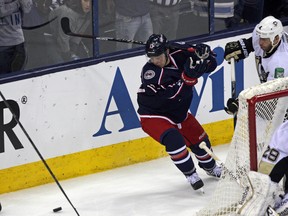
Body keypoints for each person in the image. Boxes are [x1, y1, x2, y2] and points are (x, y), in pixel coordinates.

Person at [137, 34, 222, 190]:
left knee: (202, 143)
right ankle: (190, 174)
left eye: (158, 56)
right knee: (174, 139)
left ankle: (210, 167)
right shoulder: (150, 72)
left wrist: (204, 54)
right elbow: (171, 95)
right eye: (152, 58)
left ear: (167, 51)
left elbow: (210, 64)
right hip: (154, 114)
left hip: (179, 112)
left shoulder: (180, 54)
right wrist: (188, 77)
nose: (155, 61)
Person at [223, 15, 288, 115]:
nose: (260, 42)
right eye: (260, 37)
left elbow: (270, 94)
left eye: (264, 39)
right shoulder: (264, 37)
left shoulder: (280, 63)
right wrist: (246, 46)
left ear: (276, 39)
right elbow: (254, 43)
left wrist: (242, 102)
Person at [0, 0, 32, 73]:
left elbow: (27, 8)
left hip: (19, 42)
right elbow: (1, 11)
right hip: (3, 45)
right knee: (4, 77)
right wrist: (17, 4)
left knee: (19, 76)